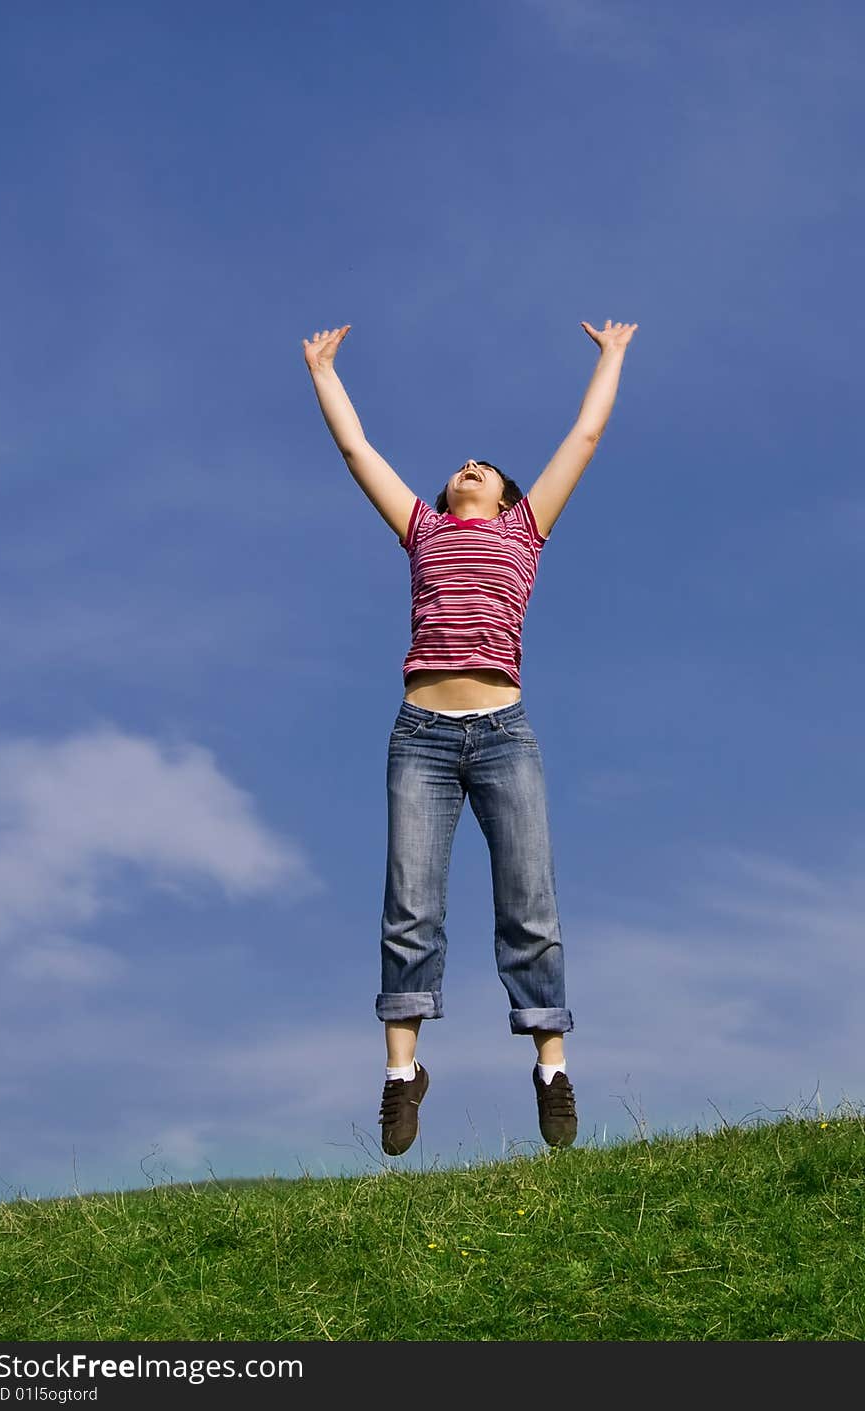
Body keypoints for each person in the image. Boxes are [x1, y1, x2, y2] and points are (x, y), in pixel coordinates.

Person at [302, 317, 638, 1156]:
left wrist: (614, 356)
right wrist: (324, 372)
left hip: (503, 734)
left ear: (506, 500)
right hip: (419, 734)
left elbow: (586, 436)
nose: (466, 467)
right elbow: (357, 452)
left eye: (482, 469)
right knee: (410, 903)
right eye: (461, 465)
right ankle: (400, 1073)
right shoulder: (421, 529)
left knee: (530, 903)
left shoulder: (524, 533)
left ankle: (552, 1069)